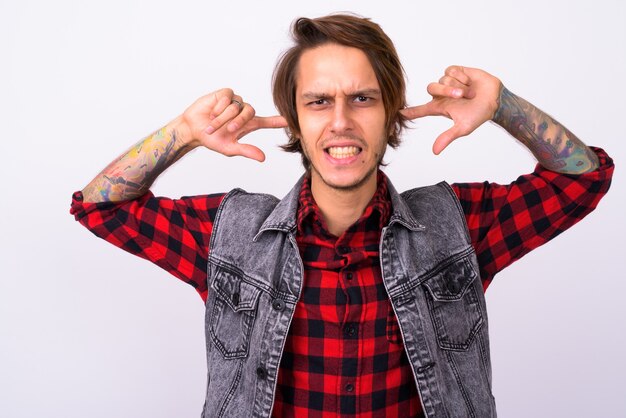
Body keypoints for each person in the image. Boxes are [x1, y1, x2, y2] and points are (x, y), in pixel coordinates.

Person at [71, 14, 613, 418]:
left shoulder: (457, 228)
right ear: (293, 121)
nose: (340, 123)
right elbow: (97, 206)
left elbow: (582, 180)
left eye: (362, 99)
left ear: (391, 113)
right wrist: (185, 133)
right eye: (317, 102)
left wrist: (503, 105)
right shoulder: (230, 236)